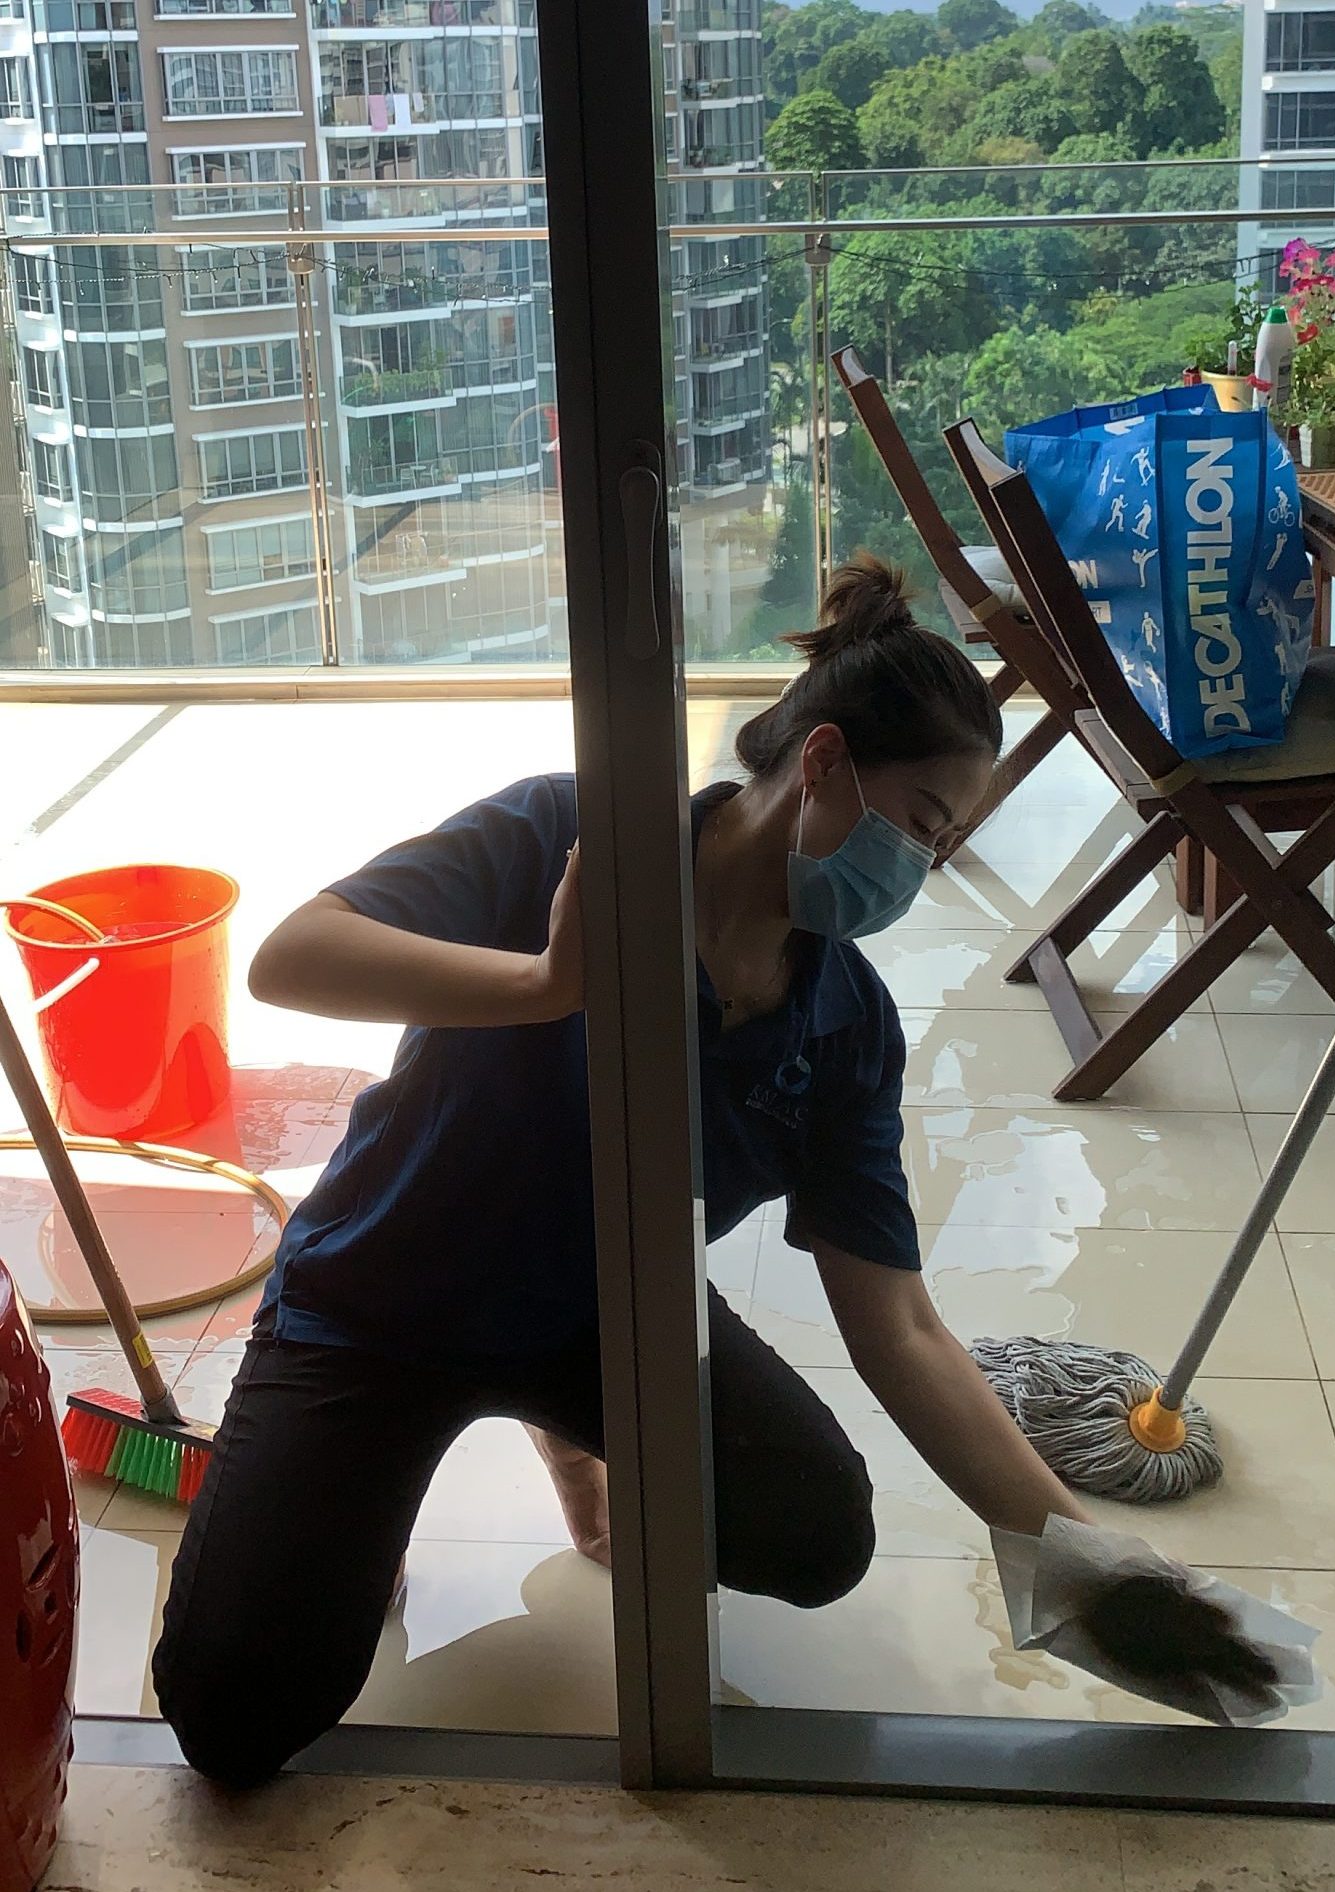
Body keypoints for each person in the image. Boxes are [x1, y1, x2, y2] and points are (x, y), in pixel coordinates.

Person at [153, 555, 1268, 1785]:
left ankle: (556, 1416)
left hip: (609, 1313)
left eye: (945, 844)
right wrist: (549, 983)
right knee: (232, 1717)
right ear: (825, 762)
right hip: (379, 1300)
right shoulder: (571, 837)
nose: (922, 867)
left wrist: (1085, 1562)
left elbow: (898, 1326)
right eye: (922, 824)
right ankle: (380, 1468)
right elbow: (291, 957)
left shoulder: (843, 1023)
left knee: (818, 1531)